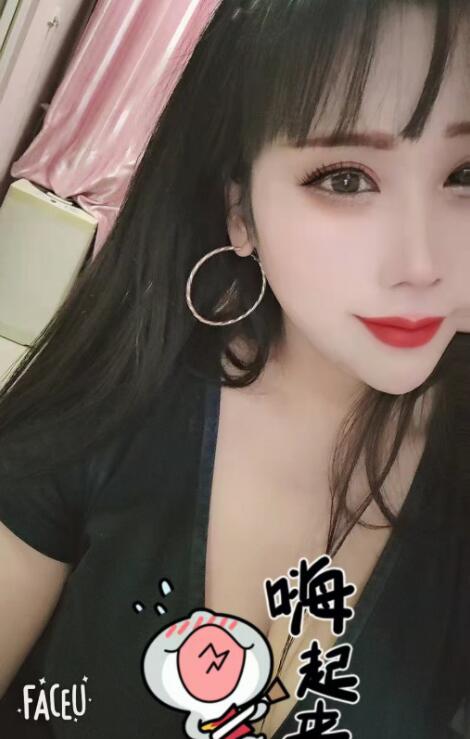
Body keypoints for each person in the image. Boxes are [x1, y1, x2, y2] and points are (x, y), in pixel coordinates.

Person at [0, 1, 469, 737]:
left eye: (467, 173)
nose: (422, 265)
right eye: (346, 179)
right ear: (240, 212)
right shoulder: (116, 401)